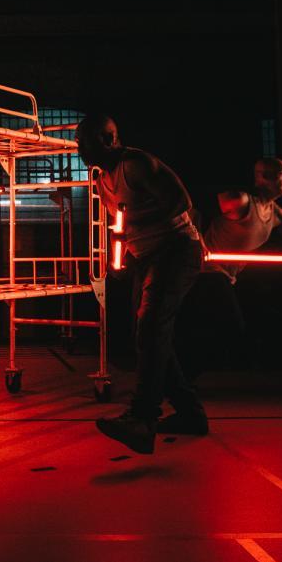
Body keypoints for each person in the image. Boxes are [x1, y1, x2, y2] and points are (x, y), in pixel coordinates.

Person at [76, 114, 206, 454]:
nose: (78, 149)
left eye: (83, 141)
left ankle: (142, 418)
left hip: (176, 251)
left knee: (150, 328)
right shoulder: (102, 177)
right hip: (147, 257)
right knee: (150, 332)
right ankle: (191, 414)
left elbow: (181, 203)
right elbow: (119, 222)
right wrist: (118, 255)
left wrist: (131, 226)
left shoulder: (136, 164)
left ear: (107, 139)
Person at [173, 158, 282, 383]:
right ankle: (180, 377)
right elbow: (189, 210)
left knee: (215, 328)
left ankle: (179, 376)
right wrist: (198, 242)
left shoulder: (276, 214)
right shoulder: (240, 201)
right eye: (281, 175)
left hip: (228, 276)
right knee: (230, 326)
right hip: (205, 271)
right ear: (263, 177)